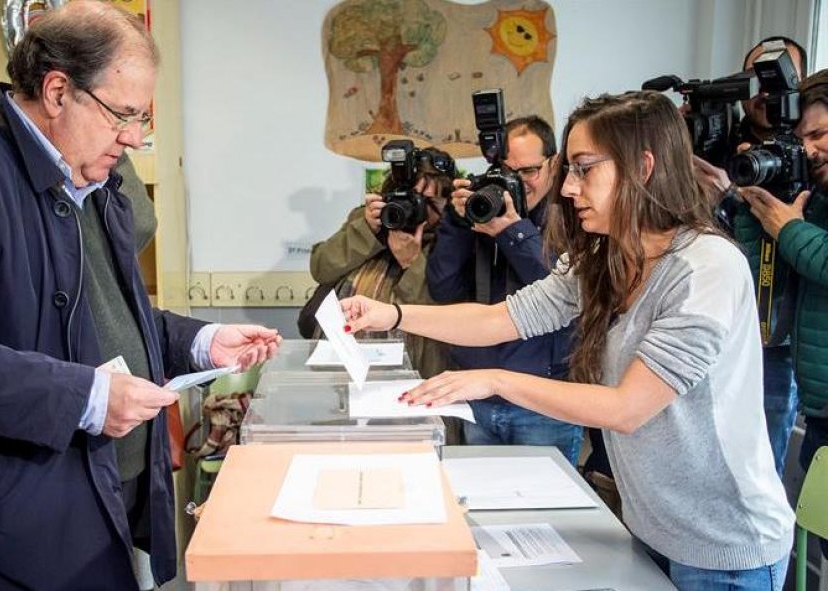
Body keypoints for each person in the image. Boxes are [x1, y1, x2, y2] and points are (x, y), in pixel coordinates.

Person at [0, 3, 281, 589]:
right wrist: (84, 396)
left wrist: (201, 343)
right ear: (57, 91)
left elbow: (101, 319)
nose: (132, 137)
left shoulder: (92, 179)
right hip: (0, 535)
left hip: (98, 502)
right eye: (122, 114)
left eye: (142, 118)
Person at [342, 91, 794, 590]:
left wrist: (495, 380)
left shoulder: (706, 267)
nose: (569, 189)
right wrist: (394, 312)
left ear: (642, 166)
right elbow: (501, 319)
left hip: (724, 549)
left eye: (584, 170)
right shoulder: (604, 257)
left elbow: (625, 408)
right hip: (651, 529)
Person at [426, 116, 581, 464]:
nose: (517, 182)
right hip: (478, 398)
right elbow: (443, 288)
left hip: (543, 401)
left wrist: (513, 231)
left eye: (529, 171)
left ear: (554, 164)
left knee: (547, 511)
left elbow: (561, 295)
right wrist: (458, 220)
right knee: (479, 510)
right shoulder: (483, 210)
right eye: (506, 170)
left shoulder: (573, 216)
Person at [695, 37, 808, 479]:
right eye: (758, 81)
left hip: (775, 339)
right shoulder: (716, 141)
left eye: (779, 83)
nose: (767, 94)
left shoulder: (811, 156)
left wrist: (732, 197)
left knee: (758, 470)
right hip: (711, 327)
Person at [737, 67, 828, 560]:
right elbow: (766, 286)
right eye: (802, 138)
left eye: (820, 134)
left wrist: (787, 229)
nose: (809, 150)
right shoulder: (812, 200)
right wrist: (752, 209)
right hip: (820, 406)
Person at [309, 147, 456, 381]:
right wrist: (365, 232)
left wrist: (411, 262)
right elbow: (321, 269)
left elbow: (437, 317)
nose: (415, 206)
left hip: (415, 369)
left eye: (429, 201)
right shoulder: (368, 221)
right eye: (409, 195)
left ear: (447, 203)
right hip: (348, 362)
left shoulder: (453, 238)